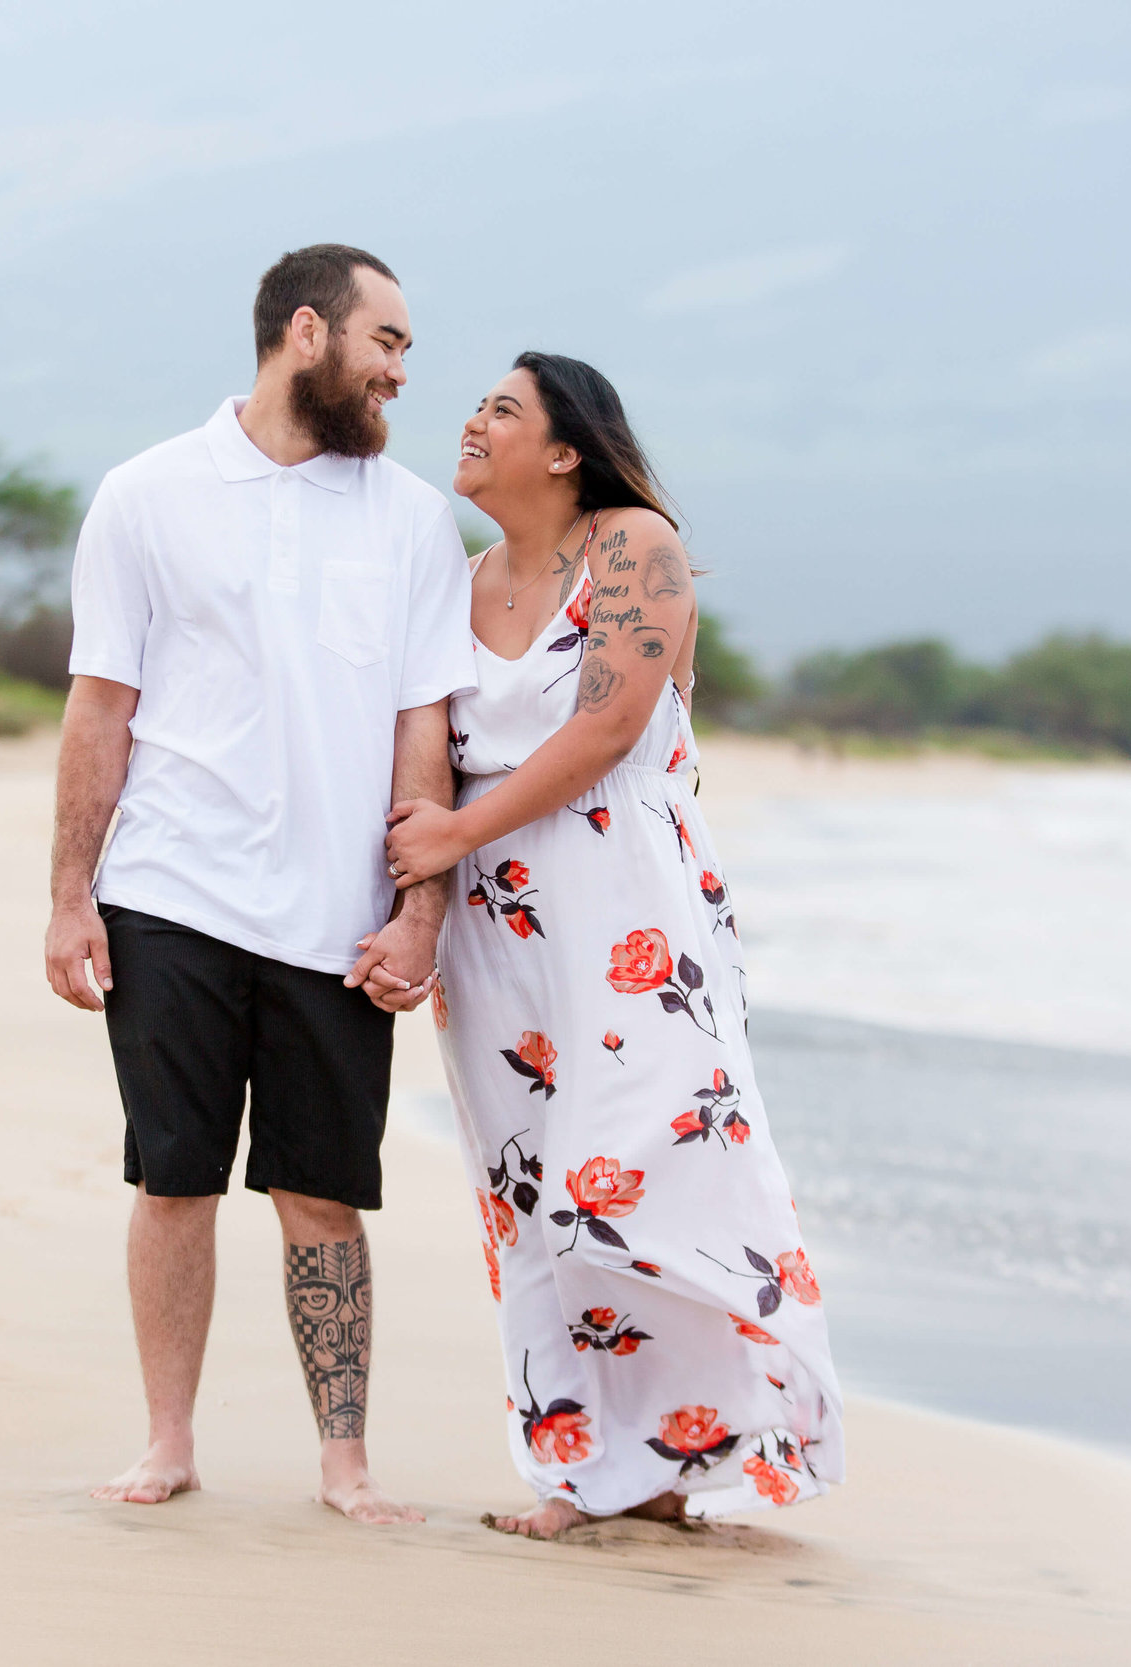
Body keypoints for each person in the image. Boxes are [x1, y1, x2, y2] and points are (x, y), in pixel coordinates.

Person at [383, 352, 846, 1538]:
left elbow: (607, 725)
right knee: (532, 1190)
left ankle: (711, 1429)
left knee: (649, 1166)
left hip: (631, 909)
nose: (471, 422)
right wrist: (429, 886)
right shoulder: (460, 574)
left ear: (564, 449)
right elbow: (427, 739)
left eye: (501, 409)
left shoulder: (631, 545)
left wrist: (450, 834)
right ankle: (590, 1471)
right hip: (501, 929)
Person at [44, 244, 472, 1525]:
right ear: (306, 333)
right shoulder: (146, 492)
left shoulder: (409, 517)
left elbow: (424, 730)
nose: (402, 370)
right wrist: (72, 892)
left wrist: (418, 906)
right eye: (385, 340)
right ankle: (167, 1439)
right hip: (169, 888)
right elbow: (100, 706)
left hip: (335, 913)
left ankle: (344, 1459)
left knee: (320, 1187)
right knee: (171, 1173)